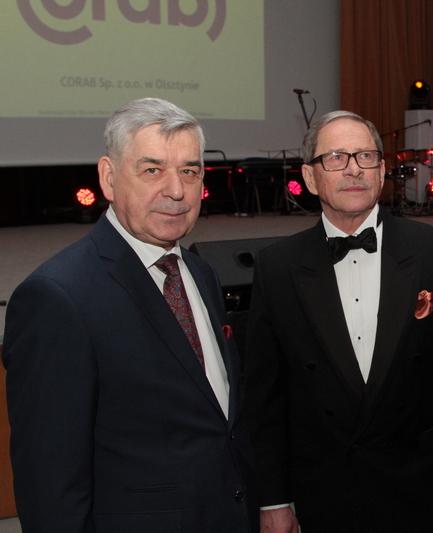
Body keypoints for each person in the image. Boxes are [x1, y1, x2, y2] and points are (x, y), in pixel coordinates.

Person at [2, 98, 254, 533]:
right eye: (152, 170)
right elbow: (49, 484)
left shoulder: (201, 273)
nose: (176, 190)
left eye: (190, 171)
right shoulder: (57, 298)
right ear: (109, 177)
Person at [243, 110, 433, 533]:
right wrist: (272, 498)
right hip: (322, 491)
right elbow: (264, 396)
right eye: (336, 158)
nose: (353, 169)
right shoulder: (277, 267)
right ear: (310, 178)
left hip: (419, 486)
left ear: (381, 171)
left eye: (365, 156)